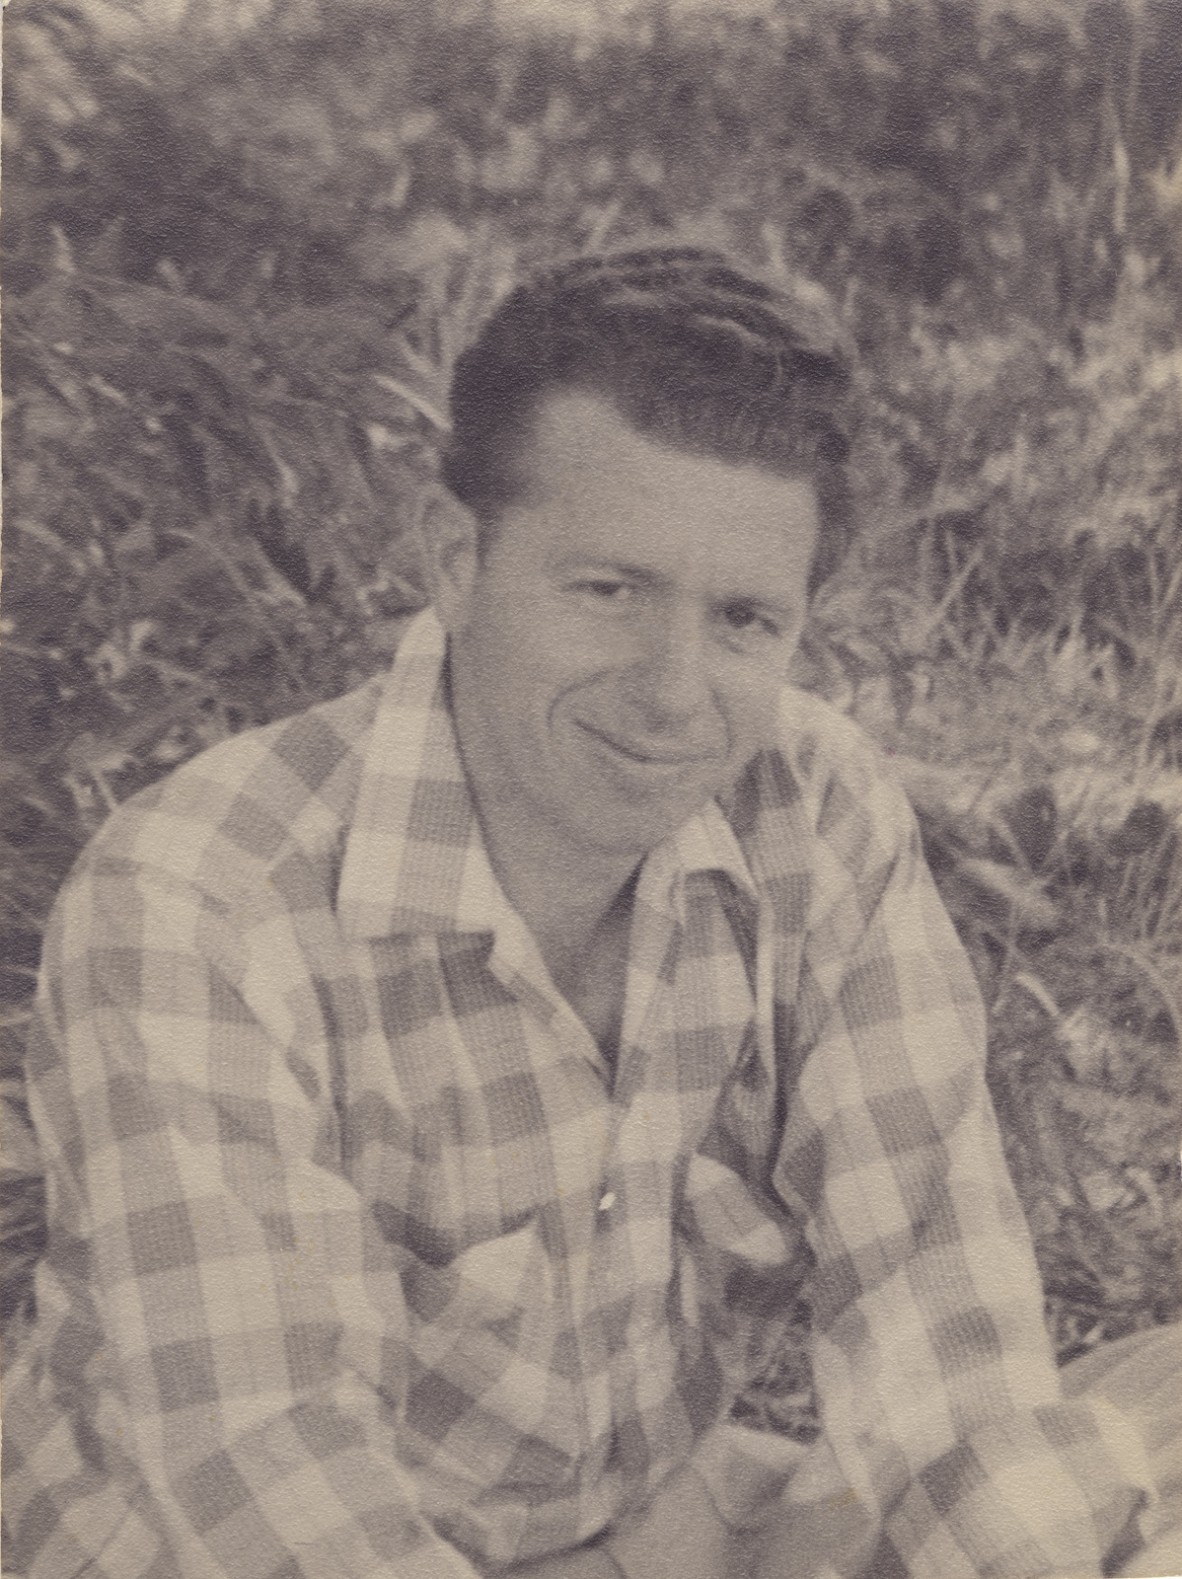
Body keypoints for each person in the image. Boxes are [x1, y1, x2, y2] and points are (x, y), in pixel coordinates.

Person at [1, 246, 1174, 1579]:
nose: (673, 693)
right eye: (608, 592)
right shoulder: (198, 899)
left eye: (741, 621)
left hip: (637, 1529)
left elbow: (934, 1297)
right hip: (253, 1552)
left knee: (1148, 1421)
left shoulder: (814, 807)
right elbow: (274, 1488)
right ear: (457, 559)